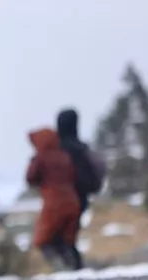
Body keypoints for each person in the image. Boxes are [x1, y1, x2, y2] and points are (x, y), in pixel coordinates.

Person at [25, 127, 81, 270]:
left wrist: (33, 161)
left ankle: (59, 267)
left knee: (43, 240)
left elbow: (31, 178)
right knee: (65, 239)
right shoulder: (65, 156)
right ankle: (73, 266)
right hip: (73, 202)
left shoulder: (41, 158)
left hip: (54, 203)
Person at [55, 109, 103, 269]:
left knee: (60, 236)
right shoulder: (82, 149)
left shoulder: (60, 150)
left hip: (63, 198)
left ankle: (71, 266)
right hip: (81, 197)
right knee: (69, 235)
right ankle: (74, 266)